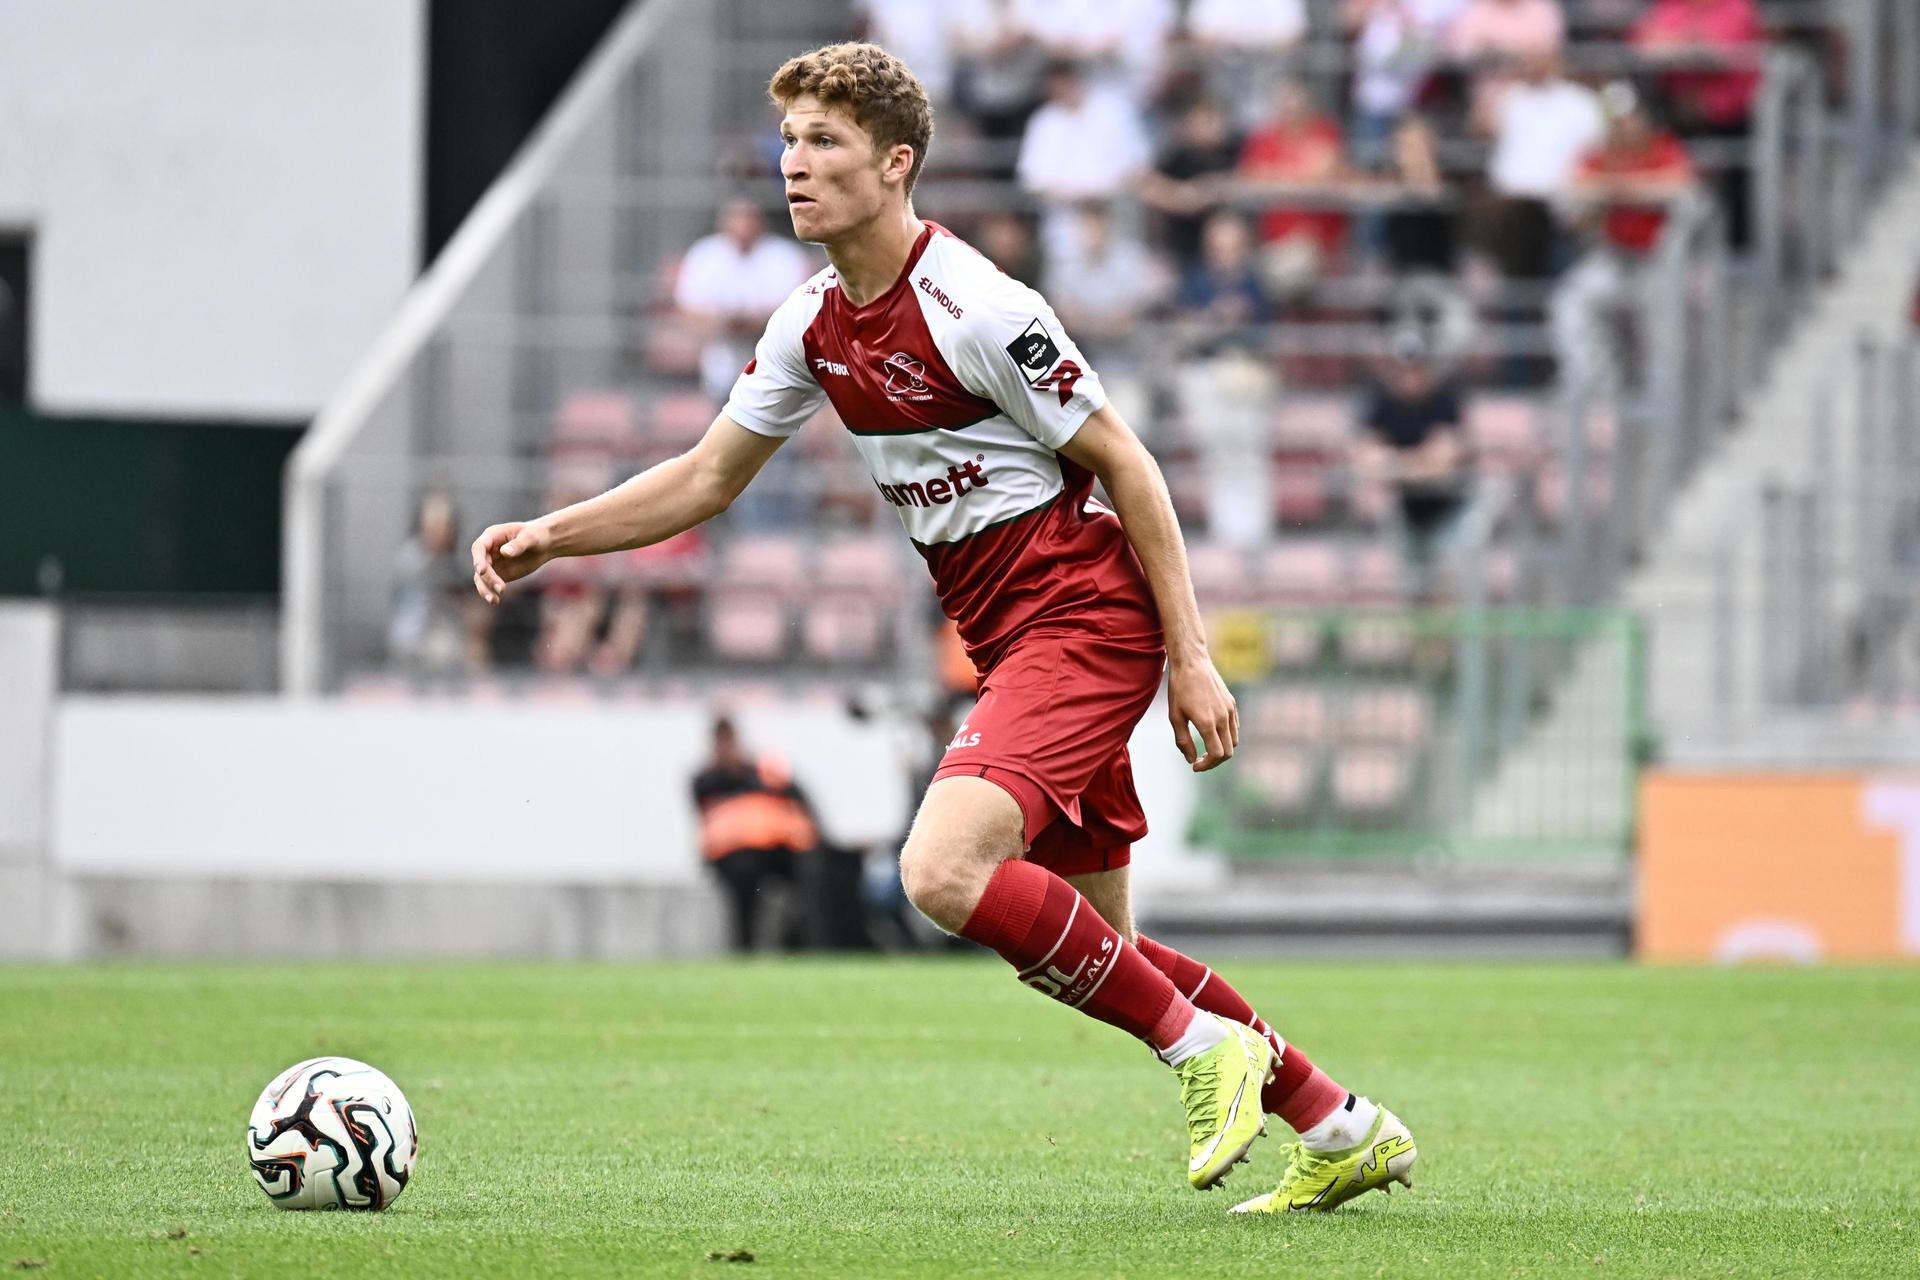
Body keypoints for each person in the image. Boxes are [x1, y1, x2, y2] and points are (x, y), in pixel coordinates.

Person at [471, 40, 1416, 1212]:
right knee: (1094, 949)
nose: (794, 167)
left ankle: (1200, 1049)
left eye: (825, 144)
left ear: (896, 164)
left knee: (941, 870)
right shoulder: (813, 321)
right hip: (1013, 638)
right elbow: (708, 478)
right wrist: (553, 533)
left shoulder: (979, 306)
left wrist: (1192, 656)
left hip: (1085, 616)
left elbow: (1128, 461)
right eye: (788, 143)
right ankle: (1338, 1120)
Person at [1552, 84, 1696, 393]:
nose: (1625, 126)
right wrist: (1622, 191)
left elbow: (1681, 188)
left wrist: (1625, 190)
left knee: (1663, 331)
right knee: (1571, 302)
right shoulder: (1598, 155)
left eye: (1630, 118)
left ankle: (1666, 404)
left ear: (1643, 117)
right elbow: (1570, 192)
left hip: (1660, 261)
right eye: (1617, 121)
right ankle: (1593, 394)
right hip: (1614, 258)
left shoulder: (1663, 148)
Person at [1354, 329, 1473, 600]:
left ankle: (1446, 642)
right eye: (1403, 368)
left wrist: (1396, 464)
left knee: (1446, 587)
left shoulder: (1444, 401)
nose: (1409, 376)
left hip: (1450, 512)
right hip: (1407, 510)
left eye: (1415, 368)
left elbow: (1445, 458)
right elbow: (1365, 457)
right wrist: (1419, 462)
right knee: (1411, 590)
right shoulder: (1384, 403)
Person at [690, 715, 820, 952]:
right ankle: (745, 949)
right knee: (744, 900)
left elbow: (798, 797)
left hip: (776, 848)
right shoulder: (705, 779)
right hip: (735, 855)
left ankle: (799, 943)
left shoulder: (762, 770)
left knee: (807, 885)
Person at [674, 199, 819, 401]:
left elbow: (803, 312)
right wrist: (725, 323)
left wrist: (756, 322)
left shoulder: (783, 256)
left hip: (779, 364)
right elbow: (687, 311)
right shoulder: (706, 254)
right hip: (721, 363)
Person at [388, 488, 490, 682]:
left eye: (443, 524)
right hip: (419, 634)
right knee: (441, 649)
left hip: (452, 630)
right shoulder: (412, 558)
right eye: (433, 524)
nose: (439, 530)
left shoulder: (458, 557)